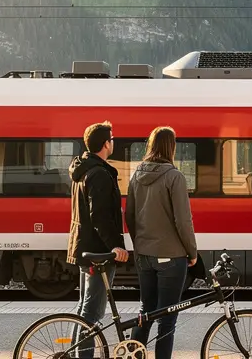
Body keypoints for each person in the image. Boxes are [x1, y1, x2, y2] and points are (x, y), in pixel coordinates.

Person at [125, 126, 198, 359]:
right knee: (167, 319)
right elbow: (183, 221)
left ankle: (131, 356)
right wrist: (192, 252)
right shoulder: (174, 177)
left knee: (146, 311)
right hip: (171, 256)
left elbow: (130, 215)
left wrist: (140, 245)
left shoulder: (136, 175)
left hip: (143, 255)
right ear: (171, 147)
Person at [66, 121, 129, 358]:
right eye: (111, 139)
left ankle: (76, 355)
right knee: (92, 313)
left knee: (84, 309)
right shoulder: (99, 174)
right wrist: (115, 245)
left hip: (84, 246)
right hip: (98, 251)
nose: (113, 142)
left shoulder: (83, 169)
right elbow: (100, 215)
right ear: (105, 144)